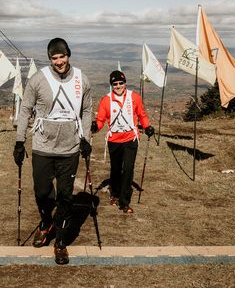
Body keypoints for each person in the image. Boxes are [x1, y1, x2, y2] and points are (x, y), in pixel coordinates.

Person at [13, 38, 92, 265]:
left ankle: (60, 242)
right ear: (50, 59)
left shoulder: (81, 79)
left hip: (70, 148)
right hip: (43, 146)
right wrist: (20, 142)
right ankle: (46, 221)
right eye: (54, 57)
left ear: (69, 55)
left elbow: (87, 110)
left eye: (62, 56)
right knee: (42, 191)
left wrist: (86, 138)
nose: (59, 61)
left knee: (66, 196)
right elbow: (26, 109)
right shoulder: (38, 79)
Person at [91, 70, 154, 214]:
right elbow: (101, 119)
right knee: (115, 169)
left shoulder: (134, 97)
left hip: (131, 138)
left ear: (125, 83)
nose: (118, 86)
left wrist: (147, 126)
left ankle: (124, 202)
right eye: (115, 84)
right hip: (114, 140)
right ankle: (115, 193)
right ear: (111, 85)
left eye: (121, 83)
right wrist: (96, 127)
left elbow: (141, 114)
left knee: (128, 169)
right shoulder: (106, 100)